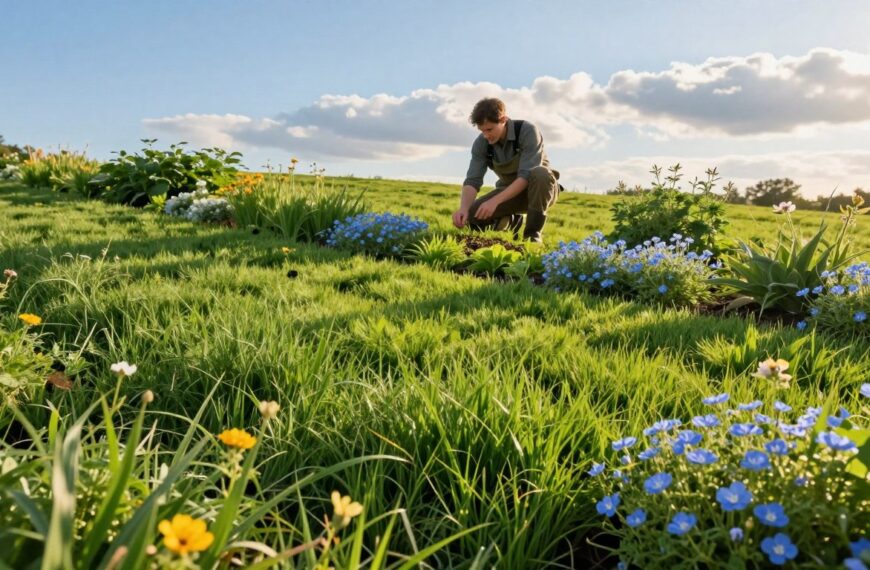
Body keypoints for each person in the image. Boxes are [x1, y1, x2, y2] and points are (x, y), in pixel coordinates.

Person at [451, 97, 561, 243]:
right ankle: (510, 221)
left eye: (489, 129)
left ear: (503, 119)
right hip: (508, 193)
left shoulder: (527, 131)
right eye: (482, 130)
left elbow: (525, 175)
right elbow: (473, 180)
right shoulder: (481, 143)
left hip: (540, 191)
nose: (486, 135)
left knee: (540, 173)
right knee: (472, 216)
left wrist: (494, 202)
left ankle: (533, 235)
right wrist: (464, 208)